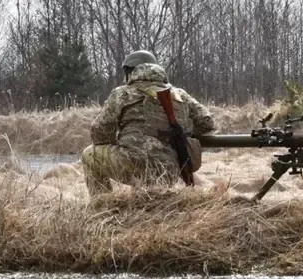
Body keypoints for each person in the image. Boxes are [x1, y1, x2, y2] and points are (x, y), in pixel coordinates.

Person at [81, 50, 216, 197]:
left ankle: (102, 207)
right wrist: (182, 135)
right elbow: (207, 123)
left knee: (89, 155)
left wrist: (121, 139)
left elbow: (99, 133)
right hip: (171, 168)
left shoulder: (122, 93)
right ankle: (146, 202)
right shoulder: (179, 94)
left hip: (134, 166)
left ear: (130, 72)